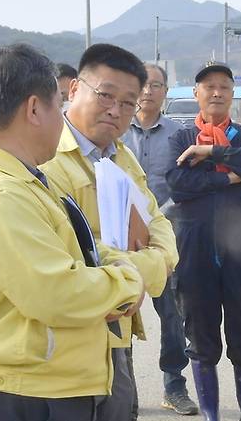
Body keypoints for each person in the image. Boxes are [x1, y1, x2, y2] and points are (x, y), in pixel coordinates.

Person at [0, 43, 144, 421]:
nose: (64, 118)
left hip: (49, 385)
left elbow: (83, 249)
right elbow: (57, 293)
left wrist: (114, 264)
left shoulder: (25, 178)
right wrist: (128, 282)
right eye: (59, 105)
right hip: (29, 394)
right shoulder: (0, 195)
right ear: (35, 109)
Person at [41, 44, 177, 421]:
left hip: (117, 326)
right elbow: (72, 248)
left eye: (128, 102)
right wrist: (145, 272)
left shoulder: (121, 156)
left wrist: (158, 262)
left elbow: (157, 223)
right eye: (105, 95)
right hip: (68, 335)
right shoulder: (46, 155)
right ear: (73, 91)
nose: (115, 110)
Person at [165, 61, 241, 421]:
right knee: (200, 334)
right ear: (196, 94)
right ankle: (211, 413)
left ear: (233, 95)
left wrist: (211, 154)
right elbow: (179, 185)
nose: (216, 92)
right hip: (194, 250)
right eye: (208, 86)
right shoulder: (180, 138)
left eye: (224, 87)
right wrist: (228, 179)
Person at [121, 63, 198, 416]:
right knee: (121, 314)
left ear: (167, 91)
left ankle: (174, 386)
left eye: (157, 85)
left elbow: (184, 185)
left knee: (172, 316)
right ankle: (125, 391)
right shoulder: (116, 132)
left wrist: (155, 219)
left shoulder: (178, 134)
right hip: (119, 241)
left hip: (166, 240)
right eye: (145, 84)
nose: (149, 91)